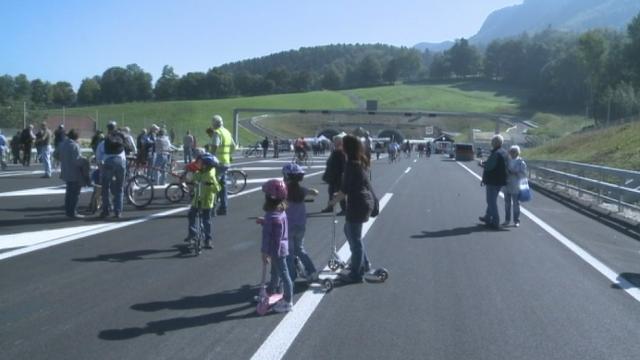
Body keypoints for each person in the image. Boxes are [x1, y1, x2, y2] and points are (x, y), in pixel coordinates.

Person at [328, 135, 377, 283]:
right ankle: (364, 264)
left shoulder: (351, 165)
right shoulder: (356, 162)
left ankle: (357, 274)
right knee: (349, 232)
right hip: (361, 202)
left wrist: (333, 201)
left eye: (342, 145)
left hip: (358, 204)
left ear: (346, 148)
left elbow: (345, 190)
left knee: (355, 239)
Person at [257, 178, 293, 313]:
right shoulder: (279, 212)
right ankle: (271, 291)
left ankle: (288, 301)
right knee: (277, 272)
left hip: (276, 249)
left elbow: (270, 237)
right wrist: (264, 221)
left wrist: (265, 252)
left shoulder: (273, 217)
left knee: (284, 274)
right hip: (281, 248)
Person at [282, 163, 319, 282]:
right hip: (301, 225)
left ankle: (292, 277)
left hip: (288, 227)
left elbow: (280, 206)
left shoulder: (284, 191)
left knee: (289, 252)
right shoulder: (301, 190)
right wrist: (310, 191)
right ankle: (312, 271)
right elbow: (315, 192)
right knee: (300, 249)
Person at [185, 154, 220, 249]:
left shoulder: (209, 174)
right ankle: (193, 235)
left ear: (206, 165)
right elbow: (193, 178)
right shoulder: (200, 172)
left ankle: (207, 239)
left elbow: (217, 188)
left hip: (206, 201)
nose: (197, 164)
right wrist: (190, 180)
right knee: (192, 215)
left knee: (206, 220)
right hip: (197, 199)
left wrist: (210, 185)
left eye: (199, 163)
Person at [96, 121, 129, 219]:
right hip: (120, 163)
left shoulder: (104, 141)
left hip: (108, 162)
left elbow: (98, 157)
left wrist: (101, 168)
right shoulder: (121, 138)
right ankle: (118, 211)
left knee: (105, 187)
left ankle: (106, 210)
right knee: (119, 188)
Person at [479, 134, 508, 230]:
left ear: (495, 143)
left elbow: (489, 166)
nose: (491, 143)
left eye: (492, 141)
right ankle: (487, 217)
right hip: (500, 180)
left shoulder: (496, 153)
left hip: (493, 180)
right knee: (492, 199)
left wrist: (481, 164)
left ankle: (496, 222)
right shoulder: (504, 152)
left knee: (491, 201)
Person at [210, 114, 236, 216]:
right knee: (223, 185)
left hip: (217, 162)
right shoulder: (227, 132)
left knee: (213, 185)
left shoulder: (217, 133)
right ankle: (223, 207)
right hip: (226, 162)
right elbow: (234, 146)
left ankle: (212, 208)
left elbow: (214, 146)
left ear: (214, 124)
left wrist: (210, 157)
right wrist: (228, 154)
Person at [58, 129, 85, 218]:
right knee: (75, 193)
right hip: (74, 172)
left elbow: (56, 154)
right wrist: (84, 160)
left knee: (69, 192)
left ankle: (68, 211)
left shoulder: (63, 144)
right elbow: (77, 161)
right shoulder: (74, 145)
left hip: (65, 170)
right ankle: (73, 212)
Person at [321, 134, 346, 214]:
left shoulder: (340, 151)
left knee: (339, 193)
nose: (333, 142)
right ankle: (330, 207)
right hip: (333, 175)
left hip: (338, 175)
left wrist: (343, 175)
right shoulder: (336, 150)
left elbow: (343, 164)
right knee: (331, 191)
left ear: (339, 142)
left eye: (335, 141)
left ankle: (344, 209)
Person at [504, 145, 527, 227]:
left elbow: (524, 175)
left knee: (516, 204)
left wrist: (515, 173)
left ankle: (516, 220)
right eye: (511, 152)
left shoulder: (521, 162)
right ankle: (507, 220)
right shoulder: (507, 161)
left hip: (516, 186)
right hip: (507, 185)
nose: (513, 153)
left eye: (514, 152)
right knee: (507, 204)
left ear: (518, 153)